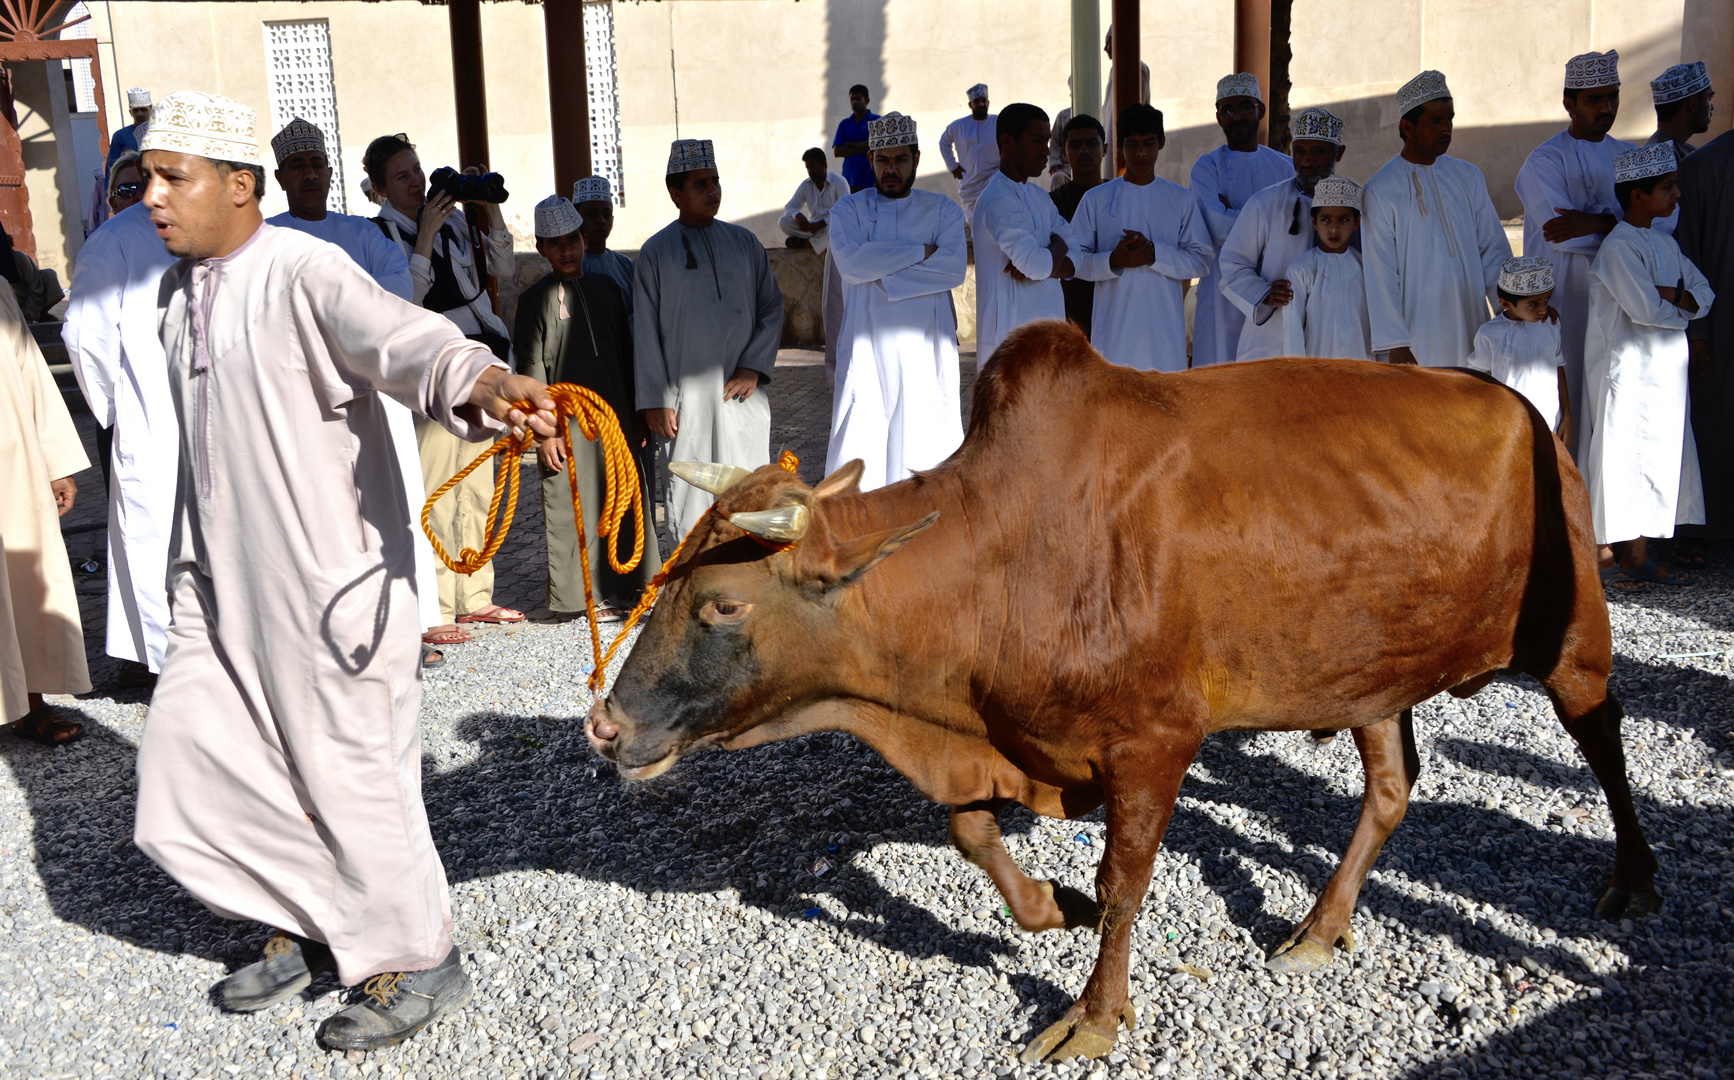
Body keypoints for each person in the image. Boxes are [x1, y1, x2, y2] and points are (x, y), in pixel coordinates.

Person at [129, 91, 559, 1051]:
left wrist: (486, 382)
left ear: (241, 187)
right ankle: (308, 921)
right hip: (217, 578)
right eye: (146, 179)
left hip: (331, 585)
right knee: (203, 762)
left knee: (354, 774)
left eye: (172, 178)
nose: (152, 198)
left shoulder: (303, 269)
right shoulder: (176, 294)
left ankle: (418, 956)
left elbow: (404, 342)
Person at [266, 119, 446, 667]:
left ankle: (401, 629)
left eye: (317, 164)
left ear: (329, 171)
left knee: (386, 512)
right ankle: (320, 636)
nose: (310, 174)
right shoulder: (266, 239)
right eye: (298, 166)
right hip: (300, 402)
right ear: (280, 177)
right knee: (315, 518)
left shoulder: (362, 234)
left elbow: (393, 298)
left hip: (372, 399)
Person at [365, 133, 525, 640]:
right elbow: (403, 302)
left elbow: (504, 269)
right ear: (381, 188)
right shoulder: (382, 235)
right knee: (435, 488)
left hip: (482, 362)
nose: (416, 182)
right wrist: (426, 237)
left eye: (417, 170)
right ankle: (435, 606)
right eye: (402, 176)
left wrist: (488, 210)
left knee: (476, 485)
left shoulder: (458, 223)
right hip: (429, 373)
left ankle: (474, 595)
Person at [62, 169, 179, 690]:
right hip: (152, 421)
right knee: (155, 541)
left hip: (223, 414)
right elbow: (85, 336)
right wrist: (121, 409)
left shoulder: (210, 226)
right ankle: (169, 672)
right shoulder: (115, 240)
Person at [515, 195, 659, 619]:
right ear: (541, 248)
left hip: (614, 419)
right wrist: (544, 433)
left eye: (573, 239)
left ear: (583, 238)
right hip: (566, 425)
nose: (567, 250)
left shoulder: (609, 288)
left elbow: (628, 354)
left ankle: (633, 586)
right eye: (556, 243)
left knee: (623, 498)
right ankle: (578, 599)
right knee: (572, 502)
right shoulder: (533, 300)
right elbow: (529, 369)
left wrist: (638, 413)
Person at [634, 138, 782, 543]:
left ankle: (750, 578)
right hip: (685, 401)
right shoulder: (655, 253)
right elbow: (644, 330)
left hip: (741, 395)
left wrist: (753, 366)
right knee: (690, 492)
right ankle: (693, 579)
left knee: (750, 487)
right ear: (676, 194)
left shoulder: (745, 243)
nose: (712, 190)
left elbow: (771, 308)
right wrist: (655, 400)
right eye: (701, 184)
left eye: (715, 181)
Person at [1582, 143, 1714, 590]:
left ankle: (1637, 554)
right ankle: (1612, 557)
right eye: (1667, 187)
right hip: (1629, 372)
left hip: (1664, 375)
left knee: (1657, 456)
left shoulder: (1664, 243)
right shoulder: (1619, 248)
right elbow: (1645, 310)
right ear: (1638, 196)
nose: (1677, 194)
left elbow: (1705, 294)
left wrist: (1673, 295)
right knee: (1624, 458)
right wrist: (1680, 302)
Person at [824, 113, 968, 491]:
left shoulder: (943, 210)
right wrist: (922, 250)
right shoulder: (848, 211)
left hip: (926, 350)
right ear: (870, 161)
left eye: (900, 160)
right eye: (883, 160)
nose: (891, 169)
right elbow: (853, 265)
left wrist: (882, 274)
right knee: (862, 444)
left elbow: (952, 269)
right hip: (867, 348)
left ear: (916, 159)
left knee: (926, 444)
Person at [1516, 50, 1640, 460]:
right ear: (1569, 103)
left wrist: (1599, 223)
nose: (1607, 108)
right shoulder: (1544, 161)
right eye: (1594, 99)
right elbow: (1562, 236)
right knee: (1565, 405)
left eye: (1613, 97)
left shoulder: (1630, 157)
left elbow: (1659, 225)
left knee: (1613, 402)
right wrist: (1623, 222)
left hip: (1621, 300)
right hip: (1566, 302)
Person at [1363, 71, 1511, 367]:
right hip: (1416, 336)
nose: (1446, 129)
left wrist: (1507, 307)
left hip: (1472, 323)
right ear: (1407, 126)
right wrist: (1396, 342)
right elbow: (1380, 272)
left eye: (1450, 119)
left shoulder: (1468, 176)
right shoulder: (1380, 189)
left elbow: (1492, 247)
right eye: (1435, 121)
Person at [1, 281, 89, 745]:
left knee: (23, 583)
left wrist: (57, 464)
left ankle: (29, 705)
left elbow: (30, 370)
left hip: (11, 463)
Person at [1070, 105, 1211, 372]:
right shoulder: (1096, 199)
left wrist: (1156, 254)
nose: (1141, 153)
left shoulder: (1180, 199)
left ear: (1162, 143)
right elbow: (1074, 258)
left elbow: (1201, 260)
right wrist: (1112, 260)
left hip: (1164, 335)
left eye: (1149, 143)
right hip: (1113, 334)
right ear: (1119, 146)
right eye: (1132, 145)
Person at [1218, 107, 1347, 362]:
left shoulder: (1354, 206)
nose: (1306, 161)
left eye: (1318, 151)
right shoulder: (1265, 203)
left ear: (1339, 153)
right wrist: (1264, 294)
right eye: (1299, 152)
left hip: (1335, 338)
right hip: (1272, 342)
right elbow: (1233, 263)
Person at [1190, 73, 1295, 368]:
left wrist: (1233, 212)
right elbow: (1216, 227)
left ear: (1261, 110)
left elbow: (1297, 223)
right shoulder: (1206, 167)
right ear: (1218, 117)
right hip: (1221, 295)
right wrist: (1273, 222)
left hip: (1274, 288)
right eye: (1228, 110)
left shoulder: (1286, 167)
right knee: (1219, 379)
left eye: (1245, 107)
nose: (1237, 116)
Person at [972, 103, 1077, 362]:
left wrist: (1046, 261)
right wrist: (1058, 248)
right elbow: (1038, 263)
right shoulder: (996, 199)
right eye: (1037, 141)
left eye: (1048, 141)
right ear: (1007, 141)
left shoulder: (1040, 197)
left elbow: (1079, 259)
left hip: (1049, 338)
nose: (1046, 151)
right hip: (1011, 344)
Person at [1676, 116, 1734, 540]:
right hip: (1719, 318)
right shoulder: (1704, 167)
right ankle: (1709, 530)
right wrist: (1697, 334)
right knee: (1716, 415)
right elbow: (1689, 254)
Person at [1468, 256, 1568, 437]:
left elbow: (1558, 366)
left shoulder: (1551, 324)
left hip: (1550, 420)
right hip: (1508, 422)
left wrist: (1567, 416)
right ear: (1506, 304)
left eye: (1547, 300)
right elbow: (1478, 378)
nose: (1543, 310)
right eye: (1533, 304)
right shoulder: (1489, 333)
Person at [777, 148, 849, 386]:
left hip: (831, 227)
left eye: (813, 167)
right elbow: (790, 206)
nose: (810, 171)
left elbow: (846, 210)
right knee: (783, 221)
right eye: (807, 167)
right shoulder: (806, 185)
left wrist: (821, 223)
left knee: (837, 226)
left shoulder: (839, 182)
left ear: (823, 165)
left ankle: (810, 243)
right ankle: (810, 241)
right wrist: (799, 217)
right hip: (811, 228)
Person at [1281, 176, 1372, 361]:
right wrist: (1298, 371)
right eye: (1326, 219)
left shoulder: (1366, 267)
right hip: (1317, 371)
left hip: (1363, 367)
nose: (1334, 228)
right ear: (1314, 222)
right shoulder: (1301, 270)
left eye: (1344, 220)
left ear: (1356, 223)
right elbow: (1292, 326)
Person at [1048, 114, 1107, 336]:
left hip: (1117, 300)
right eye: (1075, 145)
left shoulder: (1118, 195)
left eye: (1092, 144)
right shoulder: (1053, 203)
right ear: (1064, 153)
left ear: (1105, 149)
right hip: (1072, 306)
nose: (1084, 151)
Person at [573, 175, 633, 315]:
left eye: (606, 214)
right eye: (592, 215)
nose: (601, 221)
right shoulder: (572, 267)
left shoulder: (625, 266)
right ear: (577, 218)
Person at [939, 84, 999, 222]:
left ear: (988, 103)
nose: (981, 104)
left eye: (983, 100)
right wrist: (952, 165)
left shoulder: (998, 122)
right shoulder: (958, 126)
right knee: (975, 221)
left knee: (994, 216)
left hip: (994, 178)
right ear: (970, 104)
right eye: (976, 101)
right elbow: (944, 142)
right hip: (969, 184)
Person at [1099, 26, 1152, 173]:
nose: (1105, 48)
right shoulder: (1114, 70)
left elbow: (1134, 110)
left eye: (1108, 42)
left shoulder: (1136, 67)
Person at [1649, 61, 1714, 162]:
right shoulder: (1659, 158)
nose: (1712, 106)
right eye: (1709, 98)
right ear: (1692, 103)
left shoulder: (1686, 151)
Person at [832, 84, 880, 193]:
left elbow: (877, 145)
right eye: (852, 99)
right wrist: (864, 146)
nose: (854, 102)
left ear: (867, 101)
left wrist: (850, 144)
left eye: (858, 99)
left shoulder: (877, 121)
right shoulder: (844, 124)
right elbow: (838, 151)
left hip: (871, 180)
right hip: (849, 181)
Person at [103, 87, 152, 180]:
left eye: (143, 110)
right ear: (130, 112)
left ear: (151, 110)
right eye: (136, 110)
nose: (140, 114)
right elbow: (113, 167)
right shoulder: (120, 136)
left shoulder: (161, 133)